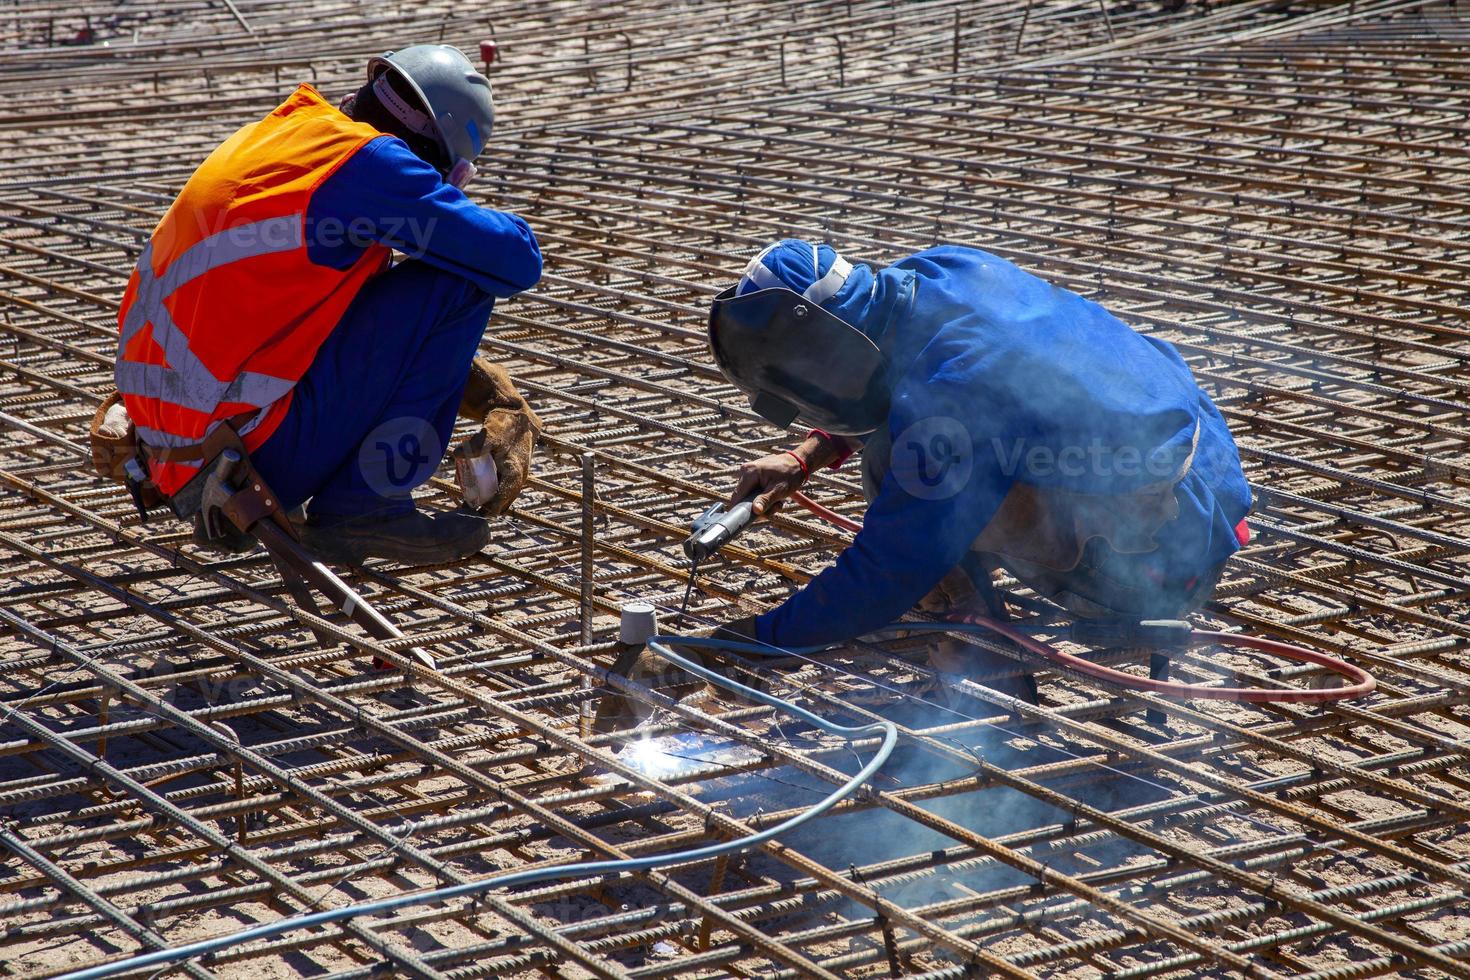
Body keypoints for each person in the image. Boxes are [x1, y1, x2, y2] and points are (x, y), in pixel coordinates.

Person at [597, 238, 1252, 728]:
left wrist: (745, 645)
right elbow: (911, 392)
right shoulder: (932, 276)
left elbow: (886, 568)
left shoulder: (947, 398)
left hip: (1169, 544)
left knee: (910, 494)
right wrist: (805, 457)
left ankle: (990, 651)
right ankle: (983, 625)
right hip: (1199, 461)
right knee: (909, 460)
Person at [111, 44, 543, 564]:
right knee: (460, 283)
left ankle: (338, 493)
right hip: (243, 460)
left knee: (395, 284)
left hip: (171, 455)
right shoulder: (371, 164)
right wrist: (448, 203)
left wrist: (478, 387)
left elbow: (353, 322)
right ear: (428, 146)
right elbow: (517, 260)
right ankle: (366, 507)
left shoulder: (289, 134)